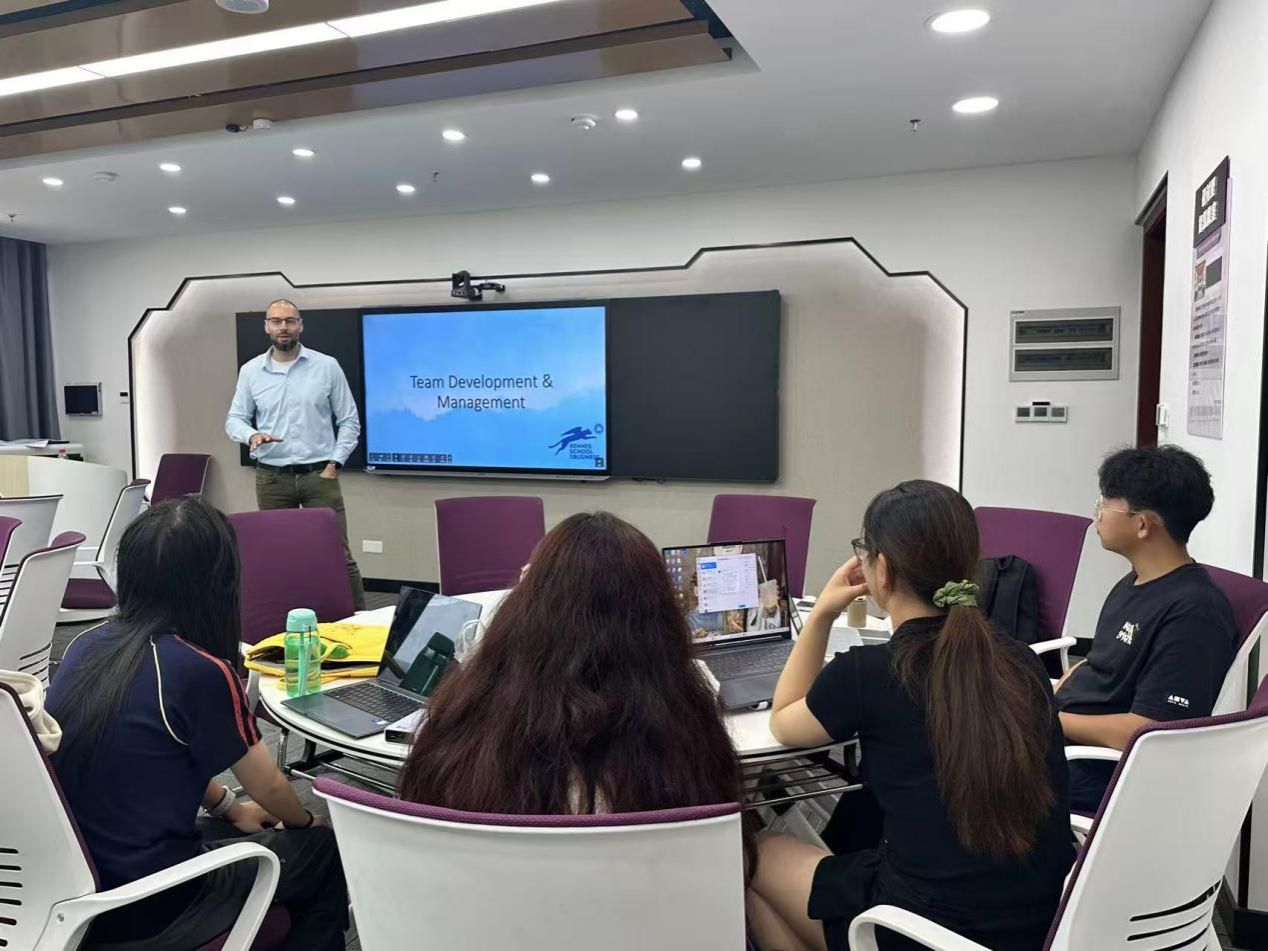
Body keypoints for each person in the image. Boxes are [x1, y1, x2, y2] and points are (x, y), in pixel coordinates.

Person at [748, 480, 1073, 951]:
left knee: (755, 853)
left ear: (882, 568)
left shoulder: (867, 672)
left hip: (920, 931)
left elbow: (784, 721)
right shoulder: (1021, 660)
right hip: (1041, 922)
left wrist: (820, 615)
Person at [45, 497, 348, 951]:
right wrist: (306, 822)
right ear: (217, 582)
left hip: (79, 893)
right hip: (152, 905)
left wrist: (229, 807)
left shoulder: (84, 647)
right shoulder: (200, 670)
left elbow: (149, 755)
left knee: (251, 830)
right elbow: (269, 788)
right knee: (322, 849)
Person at [398, 511, 747, 826]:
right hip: (645, 876)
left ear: (525, 607)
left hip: (487, 876)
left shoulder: (468, 717)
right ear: (661, 618)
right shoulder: (686, 725)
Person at [1056, 445, 1237, 812]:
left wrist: (1047, 720)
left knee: (954, 764)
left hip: (1099, 771)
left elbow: (1149, 730)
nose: (1097, 513)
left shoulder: (1194, 613)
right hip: (1065, 742)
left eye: (1107, 503)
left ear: (1143, 525)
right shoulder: (1134, 582)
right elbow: (1099, 663)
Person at [225, 298, 366, 609]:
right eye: (276, 321)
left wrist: (335, 463)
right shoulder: (251, 371)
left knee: (338, 554)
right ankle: (280, 619)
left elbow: (349, 420)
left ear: (300, 325)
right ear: (267, 327)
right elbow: (234, 419)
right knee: (276, 555)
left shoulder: (326, 366)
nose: (284, 327)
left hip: (319, 476)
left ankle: (360, 623)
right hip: (272, 478)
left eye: (290, 320)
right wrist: (252, 435)